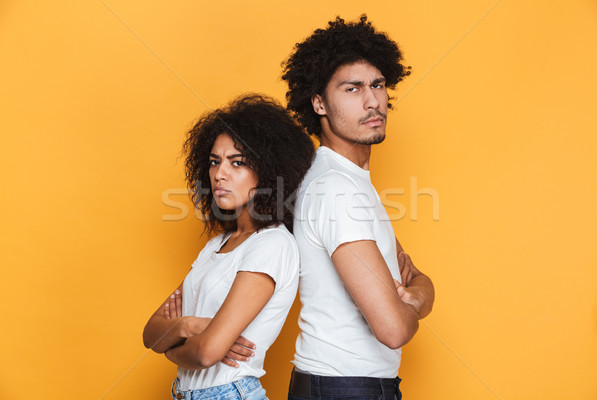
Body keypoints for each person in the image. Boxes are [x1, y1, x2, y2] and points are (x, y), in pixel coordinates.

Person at [281, 16, 435, 399]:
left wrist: (418, 293)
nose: (372, 101)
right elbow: (394, 328)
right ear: (319, 102)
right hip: (344, 388)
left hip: (343, 385)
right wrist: (419, 297)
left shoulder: (348, 181)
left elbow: (413, 277)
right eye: (352, 88)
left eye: (378, 85)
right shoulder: (336, 190)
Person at [143, 94, 314, 400]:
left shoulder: (273, 244)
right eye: (214, 161)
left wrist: (171, 347)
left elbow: (207, 352)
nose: (220, 174)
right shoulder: (215, 246)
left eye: (237, 163)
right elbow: (150, 334)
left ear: (269, 171)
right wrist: (190, 324)